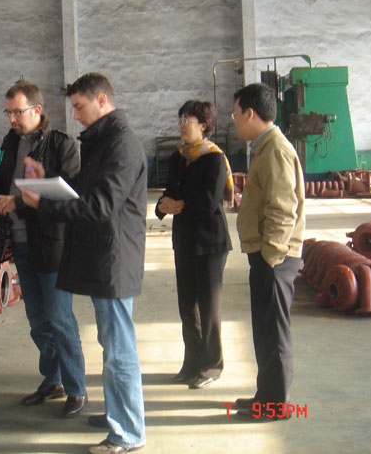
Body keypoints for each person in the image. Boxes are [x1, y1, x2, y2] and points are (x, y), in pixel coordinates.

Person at [20, 73, 147, 454]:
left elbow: (100, 206)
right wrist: (47, 182)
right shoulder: (102, 142)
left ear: (102, 100)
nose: (74, 115)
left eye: (79, 107)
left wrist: (44, 203)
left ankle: (128, 433)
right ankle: (117, 415)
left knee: (119, 350)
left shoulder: (121, 144)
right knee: (110, 345)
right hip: (103, 256)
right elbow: (82, 192)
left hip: (114, 260)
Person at [0, 80, 87, 418]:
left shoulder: (61, 145)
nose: (12, 119)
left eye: (17, 112)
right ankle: (53, 378)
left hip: (51, 244)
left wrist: (17, 202)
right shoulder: (10, 143)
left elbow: (69, 195)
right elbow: (1, 187)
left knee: (60, 318)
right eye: (8, 113)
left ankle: (76, 387)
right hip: (19, 242)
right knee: (37, 319)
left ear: (37, 110)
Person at [231, 83, 305, 421]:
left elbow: (283, 208)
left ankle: (276, 406)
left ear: (250, 113)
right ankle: (266, 396)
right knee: (264, 330)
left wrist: (272, 256)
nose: (234, 120)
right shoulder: (264, 147)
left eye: (235, 114)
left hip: (275, 257)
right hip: (265, 254)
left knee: (273, 332)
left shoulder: (275, 149)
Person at [155, 100, 233, 390]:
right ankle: (192, 364)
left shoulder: (214, 160)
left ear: (204, 125)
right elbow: (169, 193)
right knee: (187, 307)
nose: (181, 125)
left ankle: (212, 365)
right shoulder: (179, 158)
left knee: (209, 310)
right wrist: (161, 206)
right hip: (185, 241)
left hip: (210, 243)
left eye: (187, 120)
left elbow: (208, 203)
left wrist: (179, 205)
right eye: (180, 119)